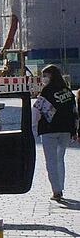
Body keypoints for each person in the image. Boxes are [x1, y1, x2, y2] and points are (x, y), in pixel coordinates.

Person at [35, 65, 76, 202]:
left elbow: (36, 111)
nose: (43, 79)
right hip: (65, 130)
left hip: (49, 130)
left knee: (51, 161)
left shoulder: (46, 91)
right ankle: (60, 187)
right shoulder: (68, 91)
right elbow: (74, 112)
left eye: (45, 76)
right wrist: (74, 130)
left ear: (50, 76)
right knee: (60, 159)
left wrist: (33, 126)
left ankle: (56, 191)